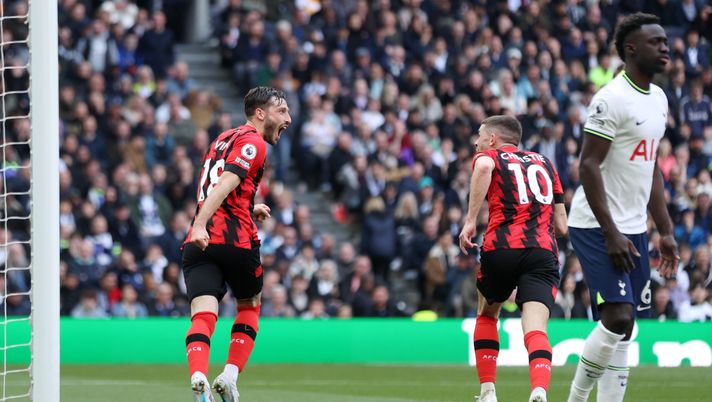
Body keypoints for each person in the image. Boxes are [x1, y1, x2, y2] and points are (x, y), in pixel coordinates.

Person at [566, 13, 680, 402]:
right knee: (617, 317)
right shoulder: (611, 98)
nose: (665, 47)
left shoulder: (660, 99)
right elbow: (587, 165)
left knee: (627, 330)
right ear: (631, 49)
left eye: (666, 41)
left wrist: (664, 231)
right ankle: (576, 398)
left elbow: (651, 172)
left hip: (633, 226)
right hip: (597, 224)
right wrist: (611, 232)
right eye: (656, 42)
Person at [182, 86, 291, 402]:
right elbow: (227, 181)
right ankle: (229, 376)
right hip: (235, 241)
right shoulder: (254, 142)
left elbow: (215, 184)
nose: (288, 118)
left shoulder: (222, 138)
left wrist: (247, 206)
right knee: (250, 305)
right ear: (261, 113)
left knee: (203, 313)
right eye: (281, 111)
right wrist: (204, 221)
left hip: (198, 243)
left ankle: (198, 376)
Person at [459, 115, 568, 402]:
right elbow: (562, 226)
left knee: (487, 314)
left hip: (501, 248)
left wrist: (471, 220)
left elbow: (483, 166)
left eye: (480, 135)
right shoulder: (545, 163)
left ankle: (488, 392)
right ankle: (539, 390)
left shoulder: (489, 156)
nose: (476, 141)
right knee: (535, 328)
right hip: (542, 252)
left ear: (492, 140)